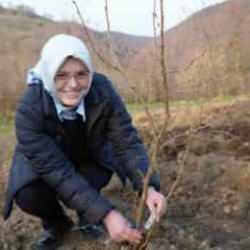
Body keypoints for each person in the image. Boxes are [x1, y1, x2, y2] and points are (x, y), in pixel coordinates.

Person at [3, 34, 166, 250]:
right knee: (29, 195)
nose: (73, 84)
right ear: (48, 74)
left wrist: (149, 187)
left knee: (95, 175)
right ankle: (58, 225)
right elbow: (57, 171)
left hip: (87, 154)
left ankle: (87, 218)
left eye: (81, 74)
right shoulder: (29, 108)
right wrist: (107, 215)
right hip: (45, 165)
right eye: (61, 75)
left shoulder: (102, 90)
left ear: (90, 71)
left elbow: (126, 141)